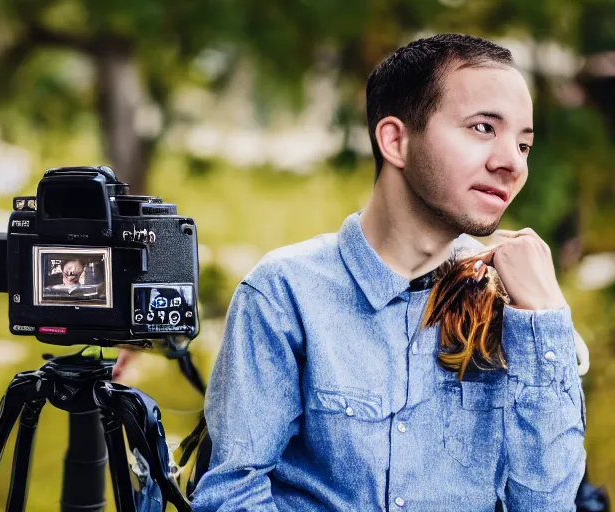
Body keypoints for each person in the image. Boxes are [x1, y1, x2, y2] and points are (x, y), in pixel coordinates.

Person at [190, 33, 586, 511]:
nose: (511, 164)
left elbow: (546, 504)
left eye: (523, 145)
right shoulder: (284, 293)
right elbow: (232, 494)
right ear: (395, 140)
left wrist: (545, 322)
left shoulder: (516, 305)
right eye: (483, 128)